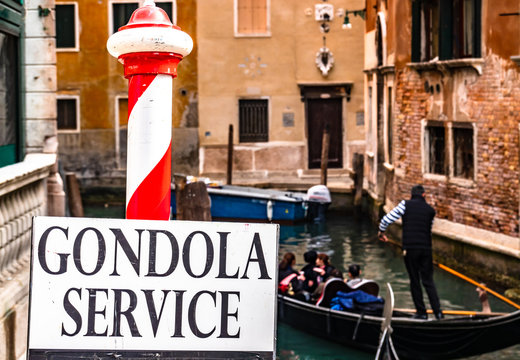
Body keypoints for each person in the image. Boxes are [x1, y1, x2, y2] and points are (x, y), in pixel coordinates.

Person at [378, 184, 444, 320]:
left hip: (410, 248)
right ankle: (438, 312)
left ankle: (421, 313)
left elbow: (386, 219)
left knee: (415, 280)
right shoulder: (430, 210)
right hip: (426, 249)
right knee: (428, 281)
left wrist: (381, 231)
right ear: (424, 195)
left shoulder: (405, 205)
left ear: (412, 195)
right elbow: (428, 230)